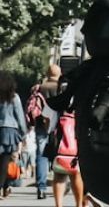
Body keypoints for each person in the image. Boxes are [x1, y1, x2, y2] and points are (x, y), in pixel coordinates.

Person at [31, 64, 61, 199]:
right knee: (59, 155)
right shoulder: (61, 88)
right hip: (58, 126)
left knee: (41, 155)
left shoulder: (39, 88)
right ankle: (59, 185)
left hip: (41, 125)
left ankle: (41, 187)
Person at [49, 107, 83, 207]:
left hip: (61, 150)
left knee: (59, 176)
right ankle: (79, 204)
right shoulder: (81, 100)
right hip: (76, 148)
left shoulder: (59, 104)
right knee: (76, 175)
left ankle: (58, 205)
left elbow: (48, 122)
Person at [0, 72, 26, 199]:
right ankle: (2, 187)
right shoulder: (14, 97)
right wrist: (23, 133)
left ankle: (4, 187)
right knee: (6, 161)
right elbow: (20, 117)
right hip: (10, 131)